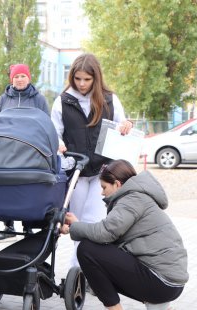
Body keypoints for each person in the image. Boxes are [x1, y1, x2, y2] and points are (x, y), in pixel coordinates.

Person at [60, 159, 188, 310]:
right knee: (98, 259)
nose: (102, 192)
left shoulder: (132, 199)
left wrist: (74, 227)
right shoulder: (137, 196)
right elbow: (109, 235)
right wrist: (77, 224)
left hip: (161, 282)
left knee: (86, 250)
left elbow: (105, 233)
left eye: (104, 187)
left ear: (117, 184)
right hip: (170, 282)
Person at [50, 53, 133, 267]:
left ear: (96, 78)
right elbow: (53, 132)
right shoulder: (62, 101)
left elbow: (122, 124)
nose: (82, 84)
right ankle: (79, 270)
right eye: (78, 79)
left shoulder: (110, 99)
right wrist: (57, 142)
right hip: (75, 170)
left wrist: (126, 125)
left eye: (87, 79)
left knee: (94, 221)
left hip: (102, 172)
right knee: (78, 223)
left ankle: (84, 269)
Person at [0, 63, 50, 242]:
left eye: (22, 76)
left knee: (26, 188)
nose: (19, 79)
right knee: (7, 187)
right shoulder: (3, 99)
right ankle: (8, 225)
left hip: (30, 150)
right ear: (12, 79)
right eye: (16, 76)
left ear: (29, 78)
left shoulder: (39, 99)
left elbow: (46, 124)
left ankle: (28, 226)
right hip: (7, 150)